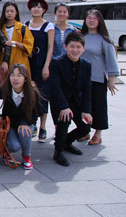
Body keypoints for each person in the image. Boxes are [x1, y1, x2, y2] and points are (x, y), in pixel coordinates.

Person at [48, 31, 93, 166]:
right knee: (64, 120)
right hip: (59, 101)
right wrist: (64, 107)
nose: (75, 50)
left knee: (85, 127)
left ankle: (66, 142)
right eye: (72, 46)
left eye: (78, 47)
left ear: (83, 49)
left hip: (76, 101)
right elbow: (55, 87)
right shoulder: (56, 62)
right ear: (65, 47)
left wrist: (86, 110)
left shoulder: (86, 65)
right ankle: (58, 151)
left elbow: (87, 89)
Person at [80, 9, 119, 145]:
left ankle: (98, 133)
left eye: (94, 18)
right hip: (81, 79)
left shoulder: (104, 39)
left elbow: (111, 60)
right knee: (82, 106)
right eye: (89, 18)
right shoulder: (81, 37)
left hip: (97, 79)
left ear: (99, 21)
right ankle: (84, 131)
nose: (91, 20)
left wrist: (111, 80)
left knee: (98, 107)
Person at [0, 64, 41, 170]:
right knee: (14, 146)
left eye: (19, 75)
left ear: (25, 78)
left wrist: (25, 123)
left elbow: (36, 113)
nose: (15, 79)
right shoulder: (5, 89)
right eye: (12, 75)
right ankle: (7, 151)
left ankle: (26, 157)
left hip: (26, 122)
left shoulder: (33, 92)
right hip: (10, 124)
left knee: (24, 132)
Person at [25, 0, 54, 143]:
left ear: (44, 10)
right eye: (34, 7)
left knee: (43, 95)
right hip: (28, 62)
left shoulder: (48, 26)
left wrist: (47, 66)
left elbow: (50, 48)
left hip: (42, 62)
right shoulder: (25, 25)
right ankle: (33, 123)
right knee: (29, 94)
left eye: (39, 7)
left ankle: (43, 126)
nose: (36, 9)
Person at [0, 1, 34, 72]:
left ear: (16, 12)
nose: (9, 13)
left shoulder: (23, 28)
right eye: (7, 11)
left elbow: (29, 47)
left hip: (20, 61)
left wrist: (15, 43)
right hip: (4, 62)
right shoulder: (0, 28)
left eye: (12, 11)